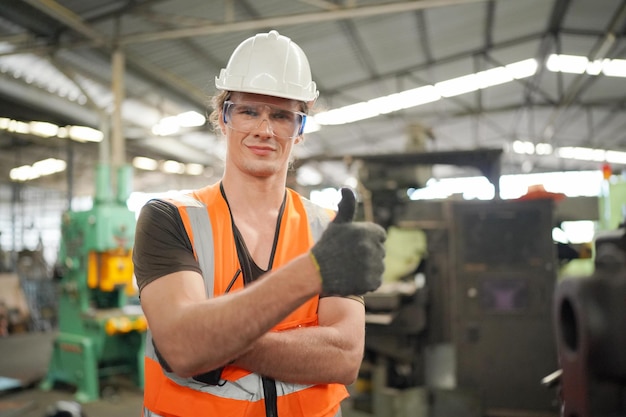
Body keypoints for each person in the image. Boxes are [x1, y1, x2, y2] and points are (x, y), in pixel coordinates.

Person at [132, 30, 386, 417]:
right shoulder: (171, 218)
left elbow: (345, 359)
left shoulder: (329, 228)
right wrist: (314, 272)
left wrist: (215, 342)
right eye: (249, 111)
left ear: (299, 130)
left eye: (283, 116)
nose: (264, 130)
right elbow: (182, 348)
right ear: (224, 117)